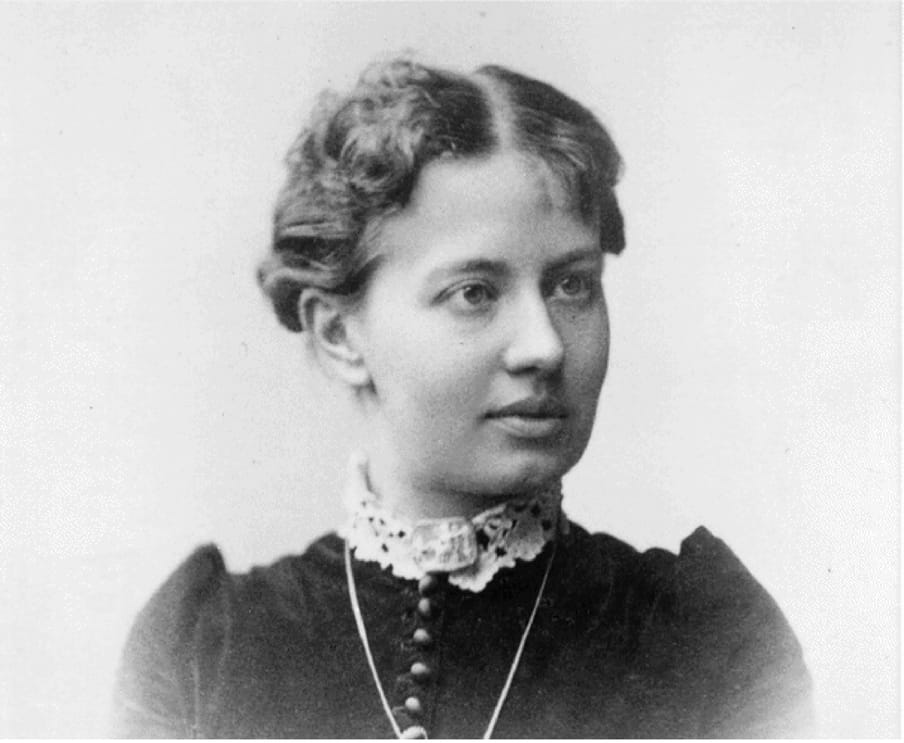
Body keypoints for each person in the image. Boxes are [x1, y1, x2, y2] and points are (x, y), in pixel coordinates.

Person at [112, 56, 812, 738]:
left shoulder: (708, 642)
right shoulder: (204, 650)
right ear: (339, 334)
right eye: (473, 293)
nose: (544, 345)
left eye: (573, 284)